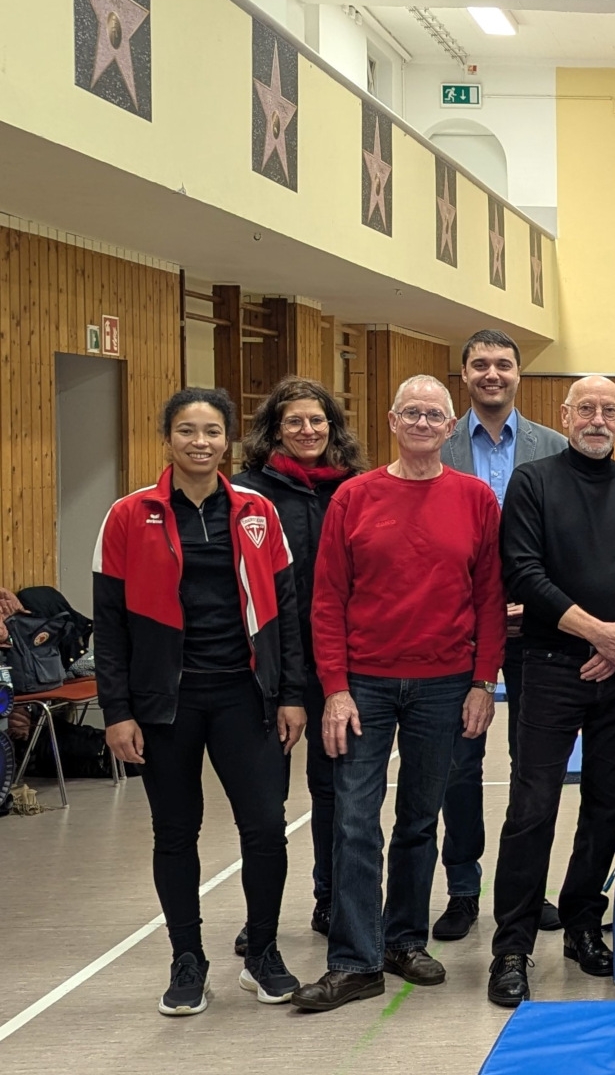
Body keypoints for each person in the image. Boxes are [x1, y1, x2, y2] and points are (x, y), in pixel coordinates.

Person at [292, 376, 504, 1012]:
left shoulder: (474, 499)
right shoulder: (354, 497)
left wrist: (482, 682)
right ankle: (355, 961)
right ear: (392, 420)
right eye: (410, 411)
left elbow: (490, 598)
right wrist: (335, 689)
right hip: (364, 684)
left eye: (433, 413)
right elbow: (326, 599)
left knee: (419, 819)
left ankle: (403, 940)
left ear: (449, 426)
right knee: (355, 822)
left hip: (445, 684)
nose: (422, 421)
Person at [95, 387, 306, 1016]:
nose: (200, 443)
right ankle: (187, 959)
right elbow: (109, 624)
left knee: (266, 829)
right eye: (187, 431)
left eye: (212, 432)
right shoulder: (129, 515)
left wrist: (292, 693)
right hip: (166, 704)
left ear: (228, 440)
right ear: (168, 439)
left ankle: (262, 953)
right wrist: (116, 711)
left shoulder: (257, 511)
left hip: (247, 696)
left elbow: (287, 612)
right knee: (175, 833)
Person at [487, 377, 615, 1008]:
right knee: (532, 807)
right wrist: (598, 633)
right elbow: (523, 571)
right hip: (547, 664)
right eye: (585, 409)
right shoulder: (534, 482)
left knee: (604, 803)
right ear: (565, 416)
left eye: (608, 411)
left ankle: (578, 923)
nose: (597, 419)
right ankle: (512, 945)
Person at [435, 329, 569, 942]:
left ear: (519, 373)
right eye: (480, 364)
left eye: (504, 365)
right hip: (459, 626)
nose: (493, 373)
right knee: (459, 764)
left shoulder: (554, 445)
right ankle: (463, 888)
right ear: (464, 374)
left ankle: (526, 886)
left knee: (532, 766)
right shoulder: (438, 442)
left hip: (536, 625)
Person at [233, 376, 367, 955]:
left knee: (335, 789)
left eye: (318, 421)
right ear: (274, 431)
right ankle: (259, 915)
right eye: (295, 422)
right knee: (264, 800)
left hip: (341, 660)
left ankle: (331, 896)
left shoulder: (358, 489)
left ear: (333, 429)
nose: (308, 431)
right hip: (267, 665)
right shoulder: (246, 494)